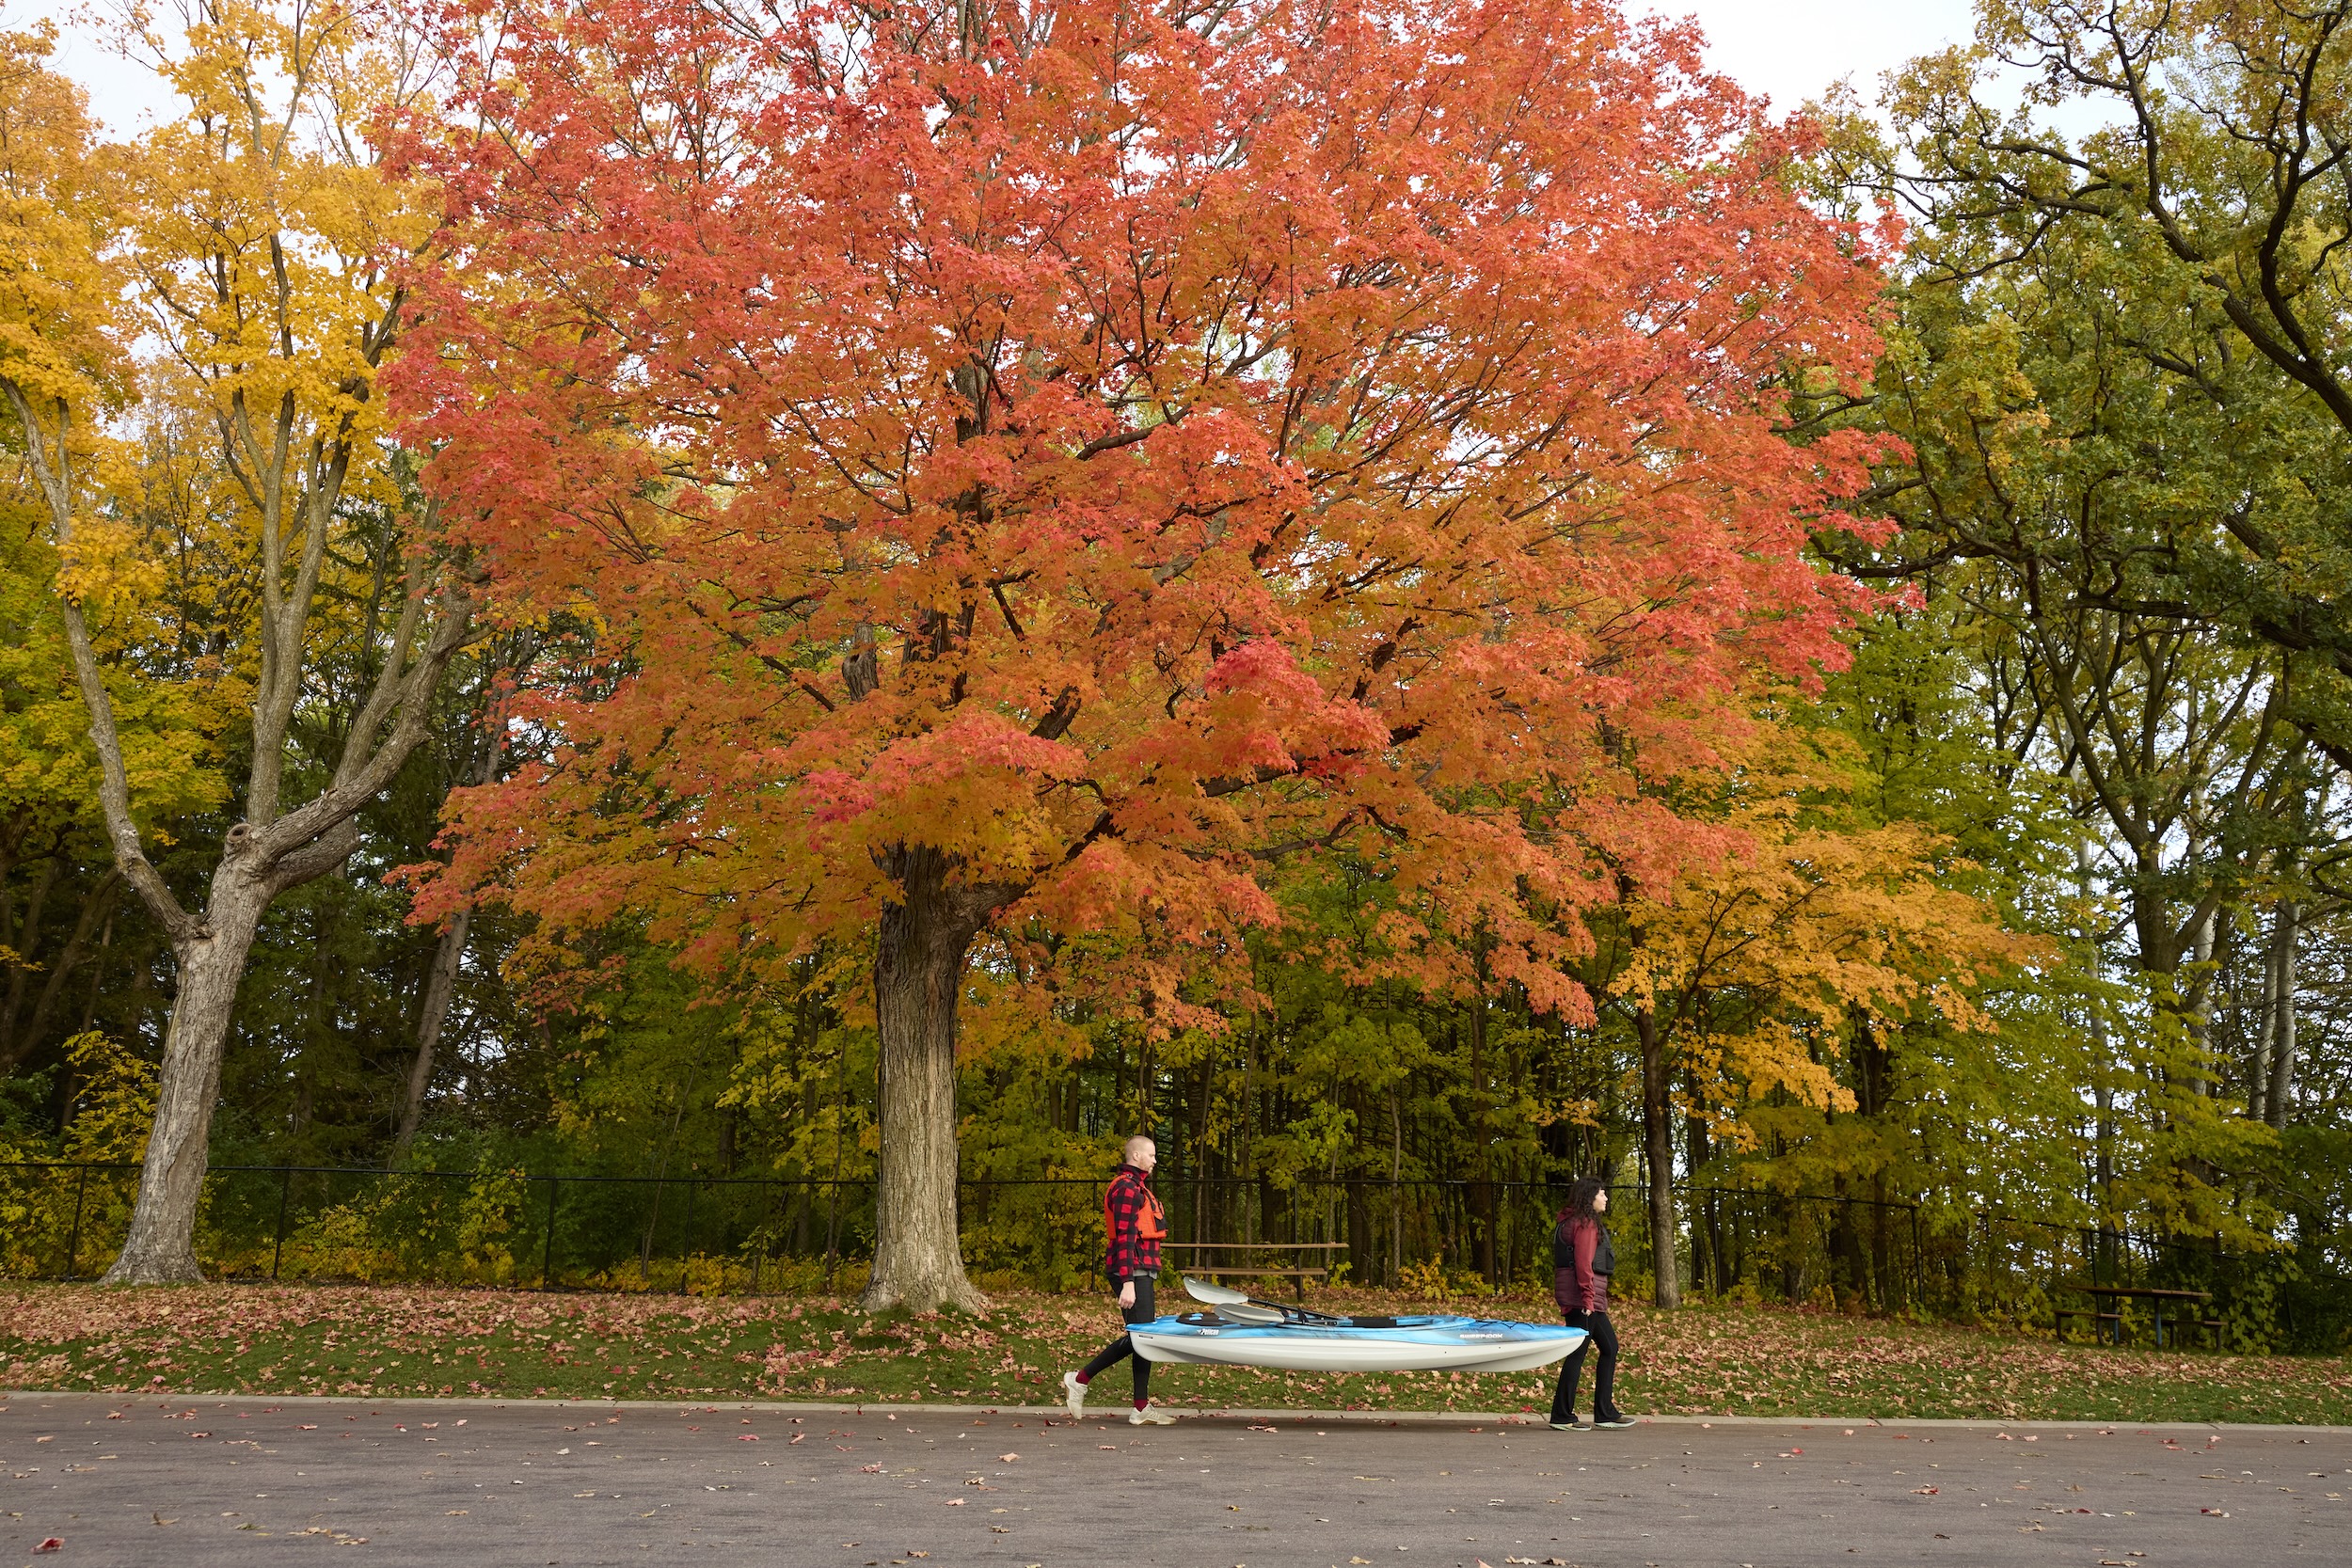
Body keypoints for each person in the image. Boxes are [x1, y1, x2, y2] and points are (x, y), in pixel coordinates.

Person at [1063, 1134, 1176, 1425]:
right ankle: (1080, 1378)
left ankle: (1140, 1407)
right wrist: (1127, 1282)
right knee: (1144, 1337)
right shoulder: (1127, 1189)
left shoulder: (1136, 1187)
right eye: (1151, 1154)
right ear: (1136, 1156)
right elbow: (1125, 1238)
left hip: (1140, 1269)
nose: (1154, 1160)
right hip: (1131, 1270)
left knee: (1144, 1338)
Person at [1549, 1175, 1633, 1431]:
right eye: (1602, 1194)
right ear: (1590, 1197)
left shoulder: (1570, 1221)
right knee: (1578, 1353)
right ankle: (1563, 1416)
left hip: (1583, 1297)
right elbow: (1584, 1264)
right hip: (1585, 1299)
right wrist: (1587, 1298)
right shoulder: (1585, 1224)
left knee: (1609, 1348)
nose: (1606, 1198)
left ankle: (1604, 1412)